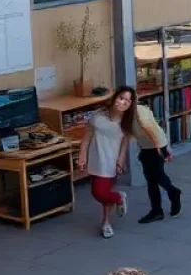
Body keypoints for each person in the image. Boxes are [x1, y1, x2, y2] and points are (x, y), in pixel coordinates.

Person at [77, 88, 132, 239]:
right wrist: (82, 155)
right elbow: (87, 136)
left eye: (127, 101)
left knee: (100, 192)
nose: (123, 102)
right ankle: (116, 201)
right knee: (101, 193)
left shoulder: (126, 121)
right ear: (115, 98)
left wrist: (121, 159)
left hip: (110, 161)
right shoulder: (98, 115)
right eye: (121, 98)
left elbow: (125, 141)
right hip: (95, 160)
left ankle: (108, 220)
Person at [132, 97, 182, 225]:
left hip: (155, 146)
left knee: (156, 176)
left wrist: (160, 149)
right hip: (148, 147)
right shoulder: (130, 113)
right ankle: (157, 210)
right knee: (152, 179)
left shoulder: (138, 110)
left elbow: (149, 128)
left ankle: (172, 193)